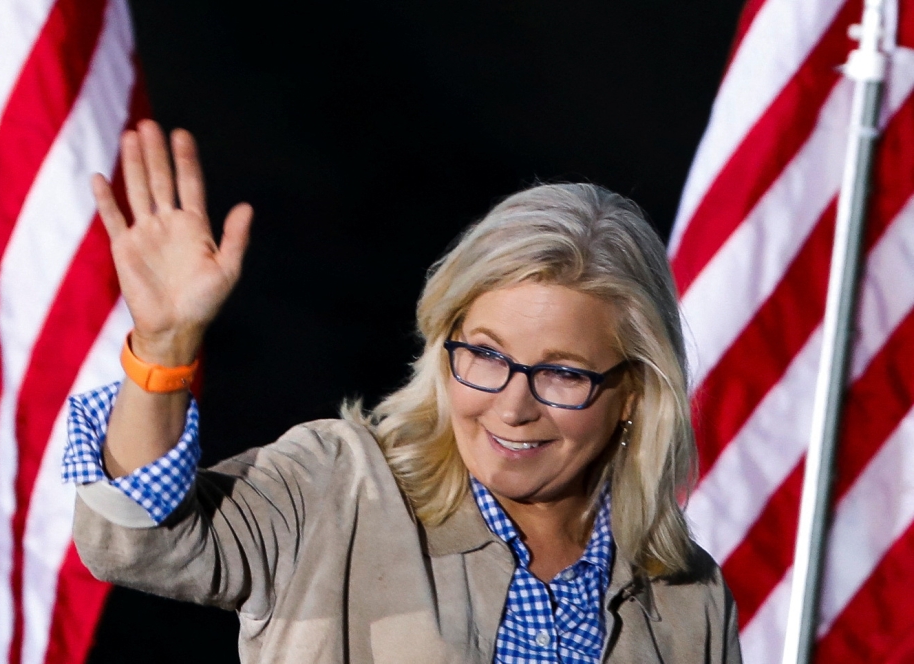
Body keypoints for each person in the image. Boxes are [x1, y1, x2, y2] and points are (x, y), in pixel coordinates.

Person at [63, 119, 742, 663]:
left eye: (562, 374)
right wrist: (164, 349)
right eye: (486, 355)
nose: (512, 406)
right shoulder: (333, 487)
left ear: (634, 393)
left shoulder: (690, 597)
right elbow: (136, 539)